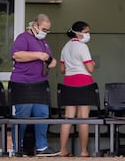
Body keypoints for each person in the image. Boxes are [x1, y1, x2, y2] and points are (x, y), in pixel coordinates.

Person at [10, 13, 59, 157]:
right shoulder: (23, 37)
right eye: (44, 29)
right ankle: (17, 147)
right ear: (35, 25)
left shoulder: (43, 42)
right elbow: (16, 55)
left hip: (40, 83)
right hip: (23, 83)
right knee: (22, 116)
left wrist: (51, 61)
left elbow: (48, 58)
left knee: (42, 115)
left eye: (48, 30)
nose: (45, 32)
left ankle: (42, 148)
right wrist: (38, 55)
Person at [59, 21, 95, 157]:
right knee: (83, 119)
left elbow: (62, 70)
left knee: (68, 118)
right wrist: (93, 63)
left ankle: (62, 150)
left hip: (68, 82)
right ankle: (84, 151)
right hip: (83, 83)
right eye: (86, 32)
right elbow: (90, 68)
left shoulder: (65, 47)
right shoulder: (82, 47)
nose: (88, 35)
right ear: (78, 33)